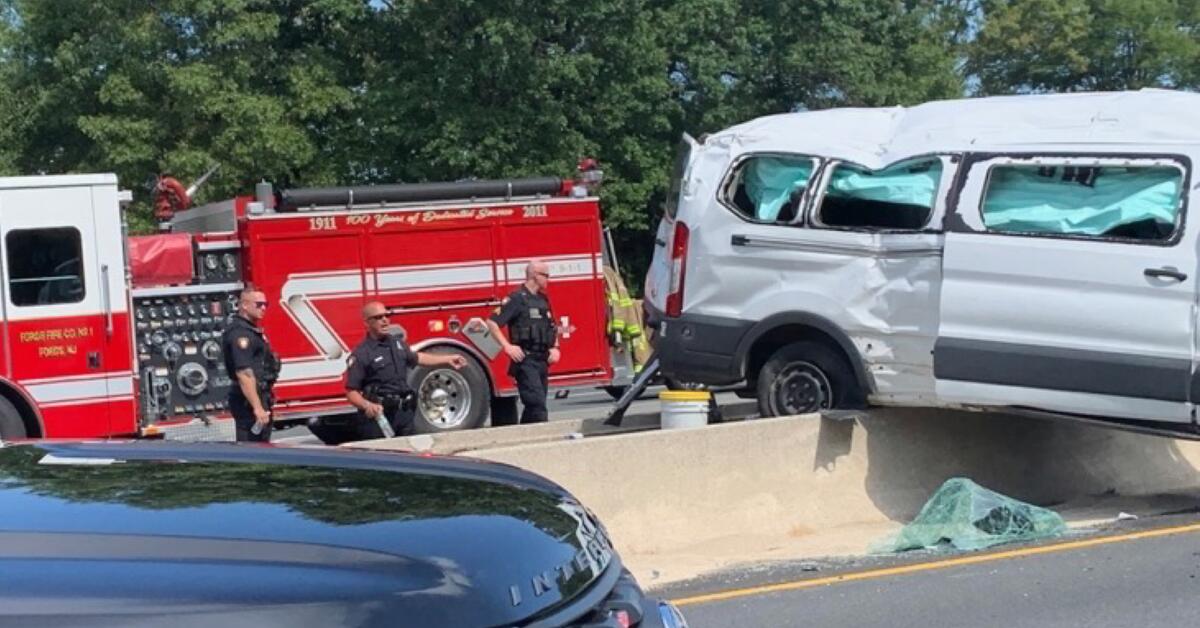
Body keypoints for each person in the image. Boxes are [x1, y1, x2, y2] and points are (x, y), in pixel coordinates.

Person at [344, 301, 468, 439]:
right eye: (378, 317)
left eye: (386, 316)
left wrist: (447, 359)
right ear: (367, 323)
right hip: (380, 417)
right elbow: (351, 392)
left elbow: (416, 358)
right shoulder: (362, 353)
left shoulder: (396, 343)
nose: (385, 320)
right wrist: (367, 405)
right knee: (384, 457)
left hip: (404, 413)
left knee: (408, 455)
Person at [487, 259, 560, 424]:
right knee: (537, 404)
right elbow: (492, 322)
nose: (548, 279)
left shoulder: (543, 299)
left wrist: (555, 347)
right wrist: (507, 347)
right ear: (534, 275)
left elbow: (552, 326)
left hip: (542, 359)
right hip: (525, 360)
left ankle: (523, 433)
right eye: (546, 275)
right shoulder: (517, 299)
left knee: (535, 405)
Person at [222, 288, 280, 442]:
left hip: (258, 396)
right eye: (259, 304)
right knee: (252, 446)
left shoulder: (251, 331)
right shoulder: (241, 334)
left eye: (265, 304)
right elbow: (244, 373)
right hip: (247, 401)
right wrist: (257, 407)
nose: (263, 308)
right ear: (244, 306)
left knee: (263, 443)